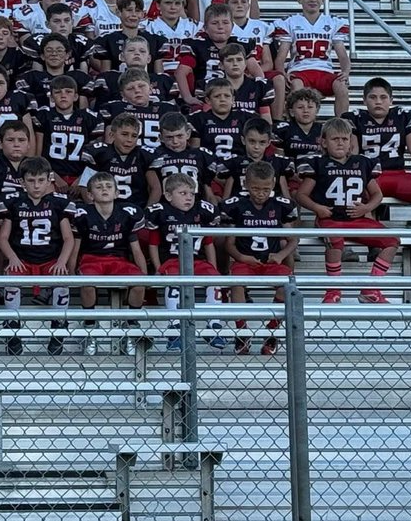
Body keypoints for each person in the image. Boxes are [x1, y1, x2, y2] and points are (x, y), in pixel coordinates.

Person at [295, 117, 396, 305]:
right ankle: (333, 290)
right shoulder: (318, 164)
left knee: (392, 241)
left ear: (351, 142)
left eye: (344, 139)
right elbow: (301, 195)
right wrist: (317, 208)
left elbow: (377, 194)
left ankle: (371, 288)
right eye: (335, 139)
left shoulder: (362, 163)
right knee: (335, 241)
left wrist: (366, 208)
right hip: (331, 218)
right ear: (324, 142)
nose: (340, 143)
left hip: (356, 219)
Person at [344, 77, 411, 254]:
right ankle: (373, 243)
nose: (378, 101)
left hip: (397, 173)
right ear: (364, 100)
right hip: (371, 175)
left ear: (391, 100)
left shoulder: (401, 116)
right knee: (359, 191)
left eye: (383, 97)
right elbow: (355, 152)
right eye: (373, 97)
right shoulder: (356, 118)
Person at [0, 157, 76, 355]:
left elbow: (68, 239)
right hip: (22, 258)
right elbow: (3, 238)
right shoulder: (13, 202)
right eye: (31, 181)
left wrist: (61, 262)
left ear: (49, 179)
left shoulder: (59, 203)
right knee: (11, 279)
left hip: (50, 258)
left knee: (62, 280)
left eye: (41, 180)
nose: (36, 185)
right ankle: (13, 328)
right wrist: (12, 258)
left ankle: (58, 327)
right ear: (22, 182)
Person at [219, 161, 298, 355]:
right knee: (236, 284)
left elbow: (293, 239)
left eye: (265, 188)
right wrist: (241, 257)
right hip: (245, 259)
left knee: (287, 286)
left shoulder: (281, 205)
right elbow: (228, 243)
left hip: (270, 261)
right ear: (245, 183)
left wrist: (280, 255)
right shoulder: (235, 205)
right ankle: (242, 332)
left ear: (273, 184)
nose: (260, 193)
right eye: (255, 188)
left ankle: (272, 330)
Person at [145, 173, 224, 350]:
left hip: (197, 259)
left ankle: (214, 326)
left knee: (216, 281)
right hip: (172, 260)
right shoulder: (161, 212)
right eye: (182, 193)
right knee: (174, 282)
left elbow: (208, 242)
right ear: (168, 195)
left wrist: (213, 267)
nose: (188, 197)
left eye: (191, 193)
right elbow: (154, 244)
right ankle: (175, 327)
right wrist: (158, 268)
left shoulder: (202, 211)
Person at [74, 172, 148, 355]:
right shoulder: (83, 214)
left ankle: (131, 324)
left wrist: (145, 275)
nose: (104, 190)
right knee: (87, 282)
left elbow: (136, 249)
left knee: (139, 283)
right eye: (99, 187)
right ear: (90, 195)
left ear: (116, 193)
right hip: (92, 258)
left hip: (119, 260)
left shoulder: (126, 213)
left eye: (108, 186)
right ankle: (90, 325)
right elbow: (75, 247)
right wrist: (70, 271)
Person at [274, 0, 352, 117]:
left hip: (324, 70)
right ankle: (296, 126)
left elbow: (343, 55)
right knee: (297, 87)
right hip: (300, 70)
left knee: (342, 87)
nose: (313, 0)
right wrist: (282, 72)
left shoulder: (333, 22)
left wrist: (345, 71)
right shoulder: (290, 22)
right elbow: (281, 56)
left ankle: (342, 125)